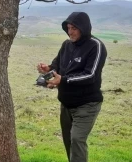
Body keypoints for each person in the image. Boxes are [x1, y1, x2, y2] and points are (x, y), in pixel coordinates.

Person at [37, 12, 107, 162]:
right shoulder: (66, 44)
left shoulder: (96, 46)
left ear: (84, 28)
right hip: (66, 104)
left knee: (77, 140)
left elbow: (90, 75)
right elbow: (57, 65)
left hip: (86, 104)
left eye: (74, 28)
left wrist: (63, 80)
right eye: (68, 28)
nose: (70, 32)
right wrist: (47, 69)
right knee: (69, 142)